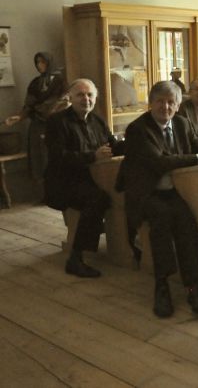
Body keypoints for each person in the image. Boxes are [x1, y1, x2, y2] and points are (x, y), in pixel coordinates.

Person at [116, 80, 198, 318]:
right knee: (162, 219)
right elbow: (159, 162)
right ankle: (162, 286)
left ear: (177, 105)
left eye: (171, 102)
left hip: (175, 191)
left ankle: (193, 288)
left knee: (187, 223)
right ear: (150, 103)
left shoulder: (182, 122)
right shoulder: (138, 129)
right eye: (160, 101)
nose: (165, 107)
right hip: (146, 192)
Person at [44, 78, 124, 278]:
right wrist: (92, 156)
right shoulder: (57, 122)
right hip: (63, 182)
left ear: (95, 98)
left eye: (90, 95)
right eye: (80, 95)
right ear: (70, 97)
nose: (85, 99)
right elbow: (58, 158)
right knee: (98, 198)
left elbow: (113, 146)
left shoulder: (98, 121)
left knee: (125, 191)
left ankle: (125, 245)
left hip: (94, 179)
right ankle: (75, 259)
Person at [4, 52, 69, 182]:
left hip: (55, 124)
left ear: (49, 62)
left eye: (42, 62)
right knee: (39, 158)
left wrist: (50, 110)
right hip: (37, 126)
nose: (39, 65)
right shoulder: (35, 83)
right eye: (37, 62)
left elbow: (64, 102)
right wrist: (19, 117)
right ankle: (41, 188)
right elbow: (29, 105)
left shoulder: (61, 82)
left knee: (54, 156)